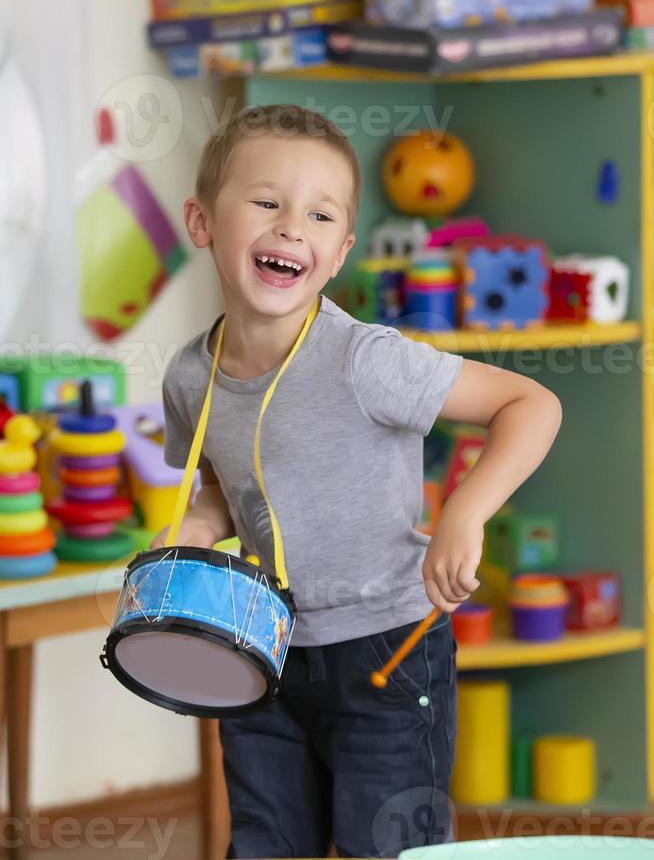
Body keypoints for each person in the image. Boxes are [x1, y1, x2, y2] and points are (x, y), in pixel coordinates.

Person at [155, 104, 562, 858]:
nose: (290, 228)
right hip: (263, 647)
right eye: (267, 202)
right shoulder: (189, 374)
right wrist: (199, 527)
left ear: (338, 253)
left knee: (389, 851)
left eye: (318, 214)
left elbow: (530, 404)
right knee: (266, 844)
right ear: (203, 220)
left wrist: (465, 511)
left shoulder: (365, 359)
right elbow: (224, 481)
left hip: (388, 650)